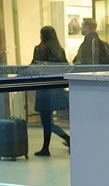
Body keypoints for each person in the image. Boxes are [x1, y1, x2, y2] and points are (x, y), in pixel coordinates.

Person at [31, 26, 70, 156]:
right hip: (57, 88)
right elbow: (66, 67)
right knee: (48, 121)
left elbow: (34, 67)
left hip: (44, 88)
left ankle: (66, 139)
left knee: (46, 121)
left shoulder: (39, 49)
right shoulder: (60, 50)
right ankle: (46, 147)